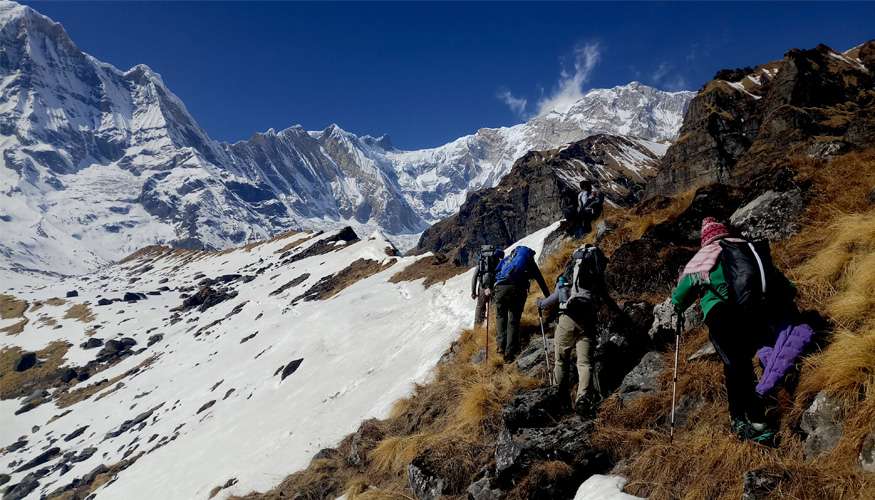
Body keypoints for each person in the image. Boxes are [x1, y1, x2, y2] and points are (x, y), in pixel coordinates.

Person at [671, 217, 774, 443]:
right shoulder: (746, 249)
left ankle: (745, 419)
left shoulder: (706, 255)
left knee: (734, 364)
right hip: (753, 313)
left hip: (721, 316)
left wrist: (677, 306)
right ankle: (754, 415)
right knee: (743, 362)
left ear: (706, 238)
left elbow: (680, 295)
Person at [538, 244, 608, 414]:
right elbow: (603, 296)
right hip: (589, 319)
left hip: (568, 318)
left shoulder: (568, 273)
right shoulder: (595, 273)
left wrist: (540, 304)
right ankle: (582, 399)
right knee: (585, 363)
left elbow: (555, 297)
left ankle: (558, 396)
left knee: (561, 360)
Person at [493, 245, 550, 361]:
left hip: (500, 288)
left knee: (500, 317)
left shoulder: (508, 259)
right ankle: (509, 354)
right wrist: (548, 296)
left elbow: (496, 272)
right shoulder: (528, 259)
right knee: (513, 320)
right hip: (517, 289)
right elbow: (539, 279)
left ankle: (500, 346)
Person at [471, 245, 504, 326]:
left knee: (480, 307)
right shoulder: (496, 260)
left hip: (482, 286)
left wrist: (473, 292)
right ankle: (493, 327)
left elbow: (474, 276)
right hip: (494, 287)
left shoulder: (481, 262)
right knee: (493, 307)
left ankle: (477, 329)